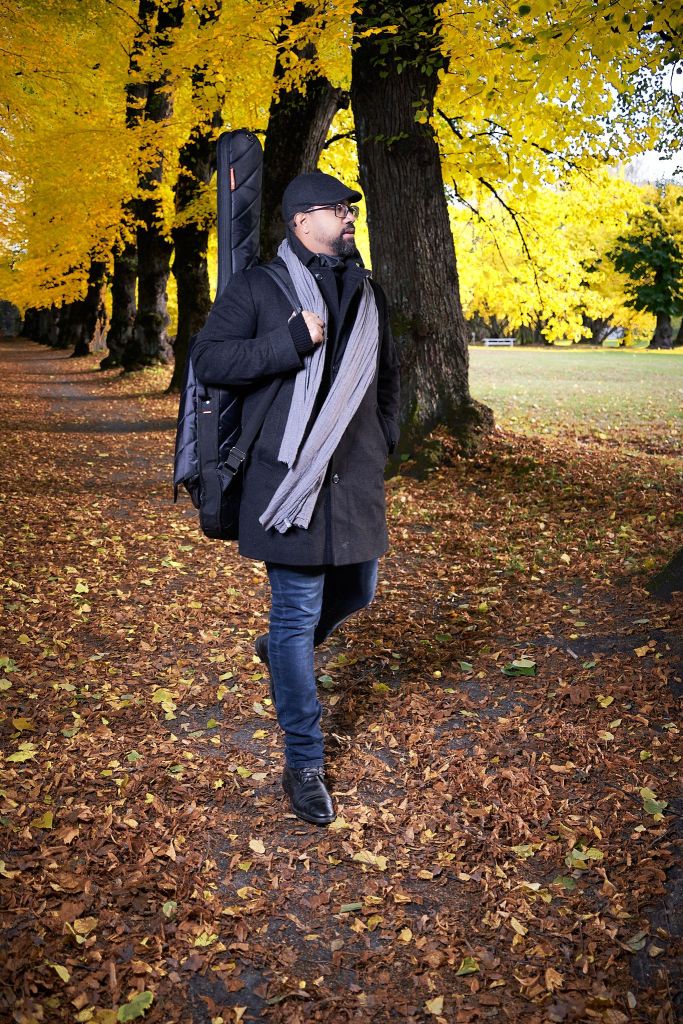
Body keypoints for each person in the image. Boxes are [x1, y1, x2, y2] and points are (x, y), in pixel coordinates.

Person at [192, 171, 400, 826]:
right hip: (288, 484)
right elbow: (209, 360)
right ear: (301, 220)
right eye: (336, 209)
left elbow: (388, 380)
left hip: (354, 479)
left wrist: (384, 441)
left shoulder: (368, 294)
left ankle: (282, 649)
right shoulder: (260, 287)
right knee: (295, 613)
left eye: (349, 210)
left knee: (358, 592)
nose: (348, 218)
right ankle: (303, 764)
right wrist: (287, 342)